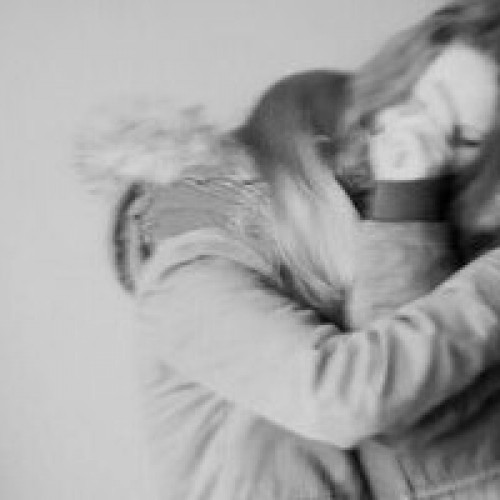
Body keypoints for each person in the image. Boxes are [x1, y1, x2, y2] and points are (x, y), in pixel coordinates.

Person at [84, 3, 500, 499]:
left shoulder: (414, 227)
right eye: (421, 104)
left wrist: (408, 212)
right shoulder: (189, 268)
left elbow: (409, 394)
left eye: (465, 138)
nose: (417, 142)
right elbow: (344, 399)